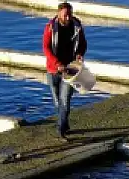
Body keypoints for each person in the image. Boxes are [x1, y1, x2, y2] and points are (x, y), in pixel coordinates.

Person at [42, 2, 87, 139]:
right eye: (65, 15)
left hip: (70, 69)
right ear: (59, 14)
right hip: (53, 70)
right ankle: (65, 123)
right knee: (57, 102)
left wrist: (80, 54)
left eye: (70, 14)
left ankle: (61, 130)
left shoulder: (77, 25)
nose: (68, 18)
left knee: (65, 101)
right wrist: (57, 64)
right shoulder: (50, 27)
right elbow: (46, 48)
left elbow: (83, 44)